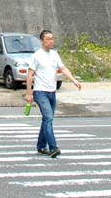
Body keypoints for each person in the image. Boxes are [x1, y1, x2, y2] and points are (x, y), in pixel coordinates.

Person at [24, 29, 80, 157]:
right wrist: (29, 93)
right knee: (48, 118)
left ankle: (41, 146)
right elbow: (30, 75)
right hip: (40, 92)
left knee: (47, 119)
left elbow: (63, 69)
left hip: (52, 92)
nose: (51, 41)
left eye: (52, 38)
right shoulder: (37, 55)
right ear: (42, 41)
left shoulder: (54, 54)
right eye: (48, 39)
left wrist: (74, 81)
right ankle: (53, 147)